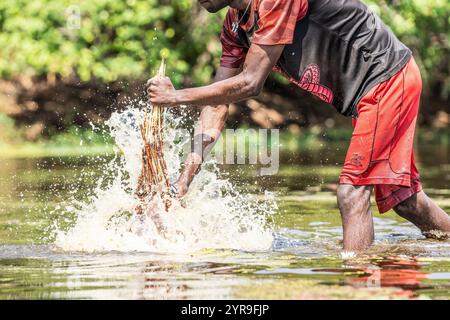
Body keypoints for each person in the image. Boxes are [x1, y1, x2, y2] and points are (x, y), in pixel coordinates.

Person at [146, 0, 450, 251]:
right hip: (373, 91)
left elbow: (251, 83)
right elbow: (216, 103)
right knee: (406, 201)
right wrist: (183, 181)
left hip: (387, 77)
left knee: (351, 193)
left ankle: (358, 281)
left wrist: (175, 97)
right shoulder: (235, 27)